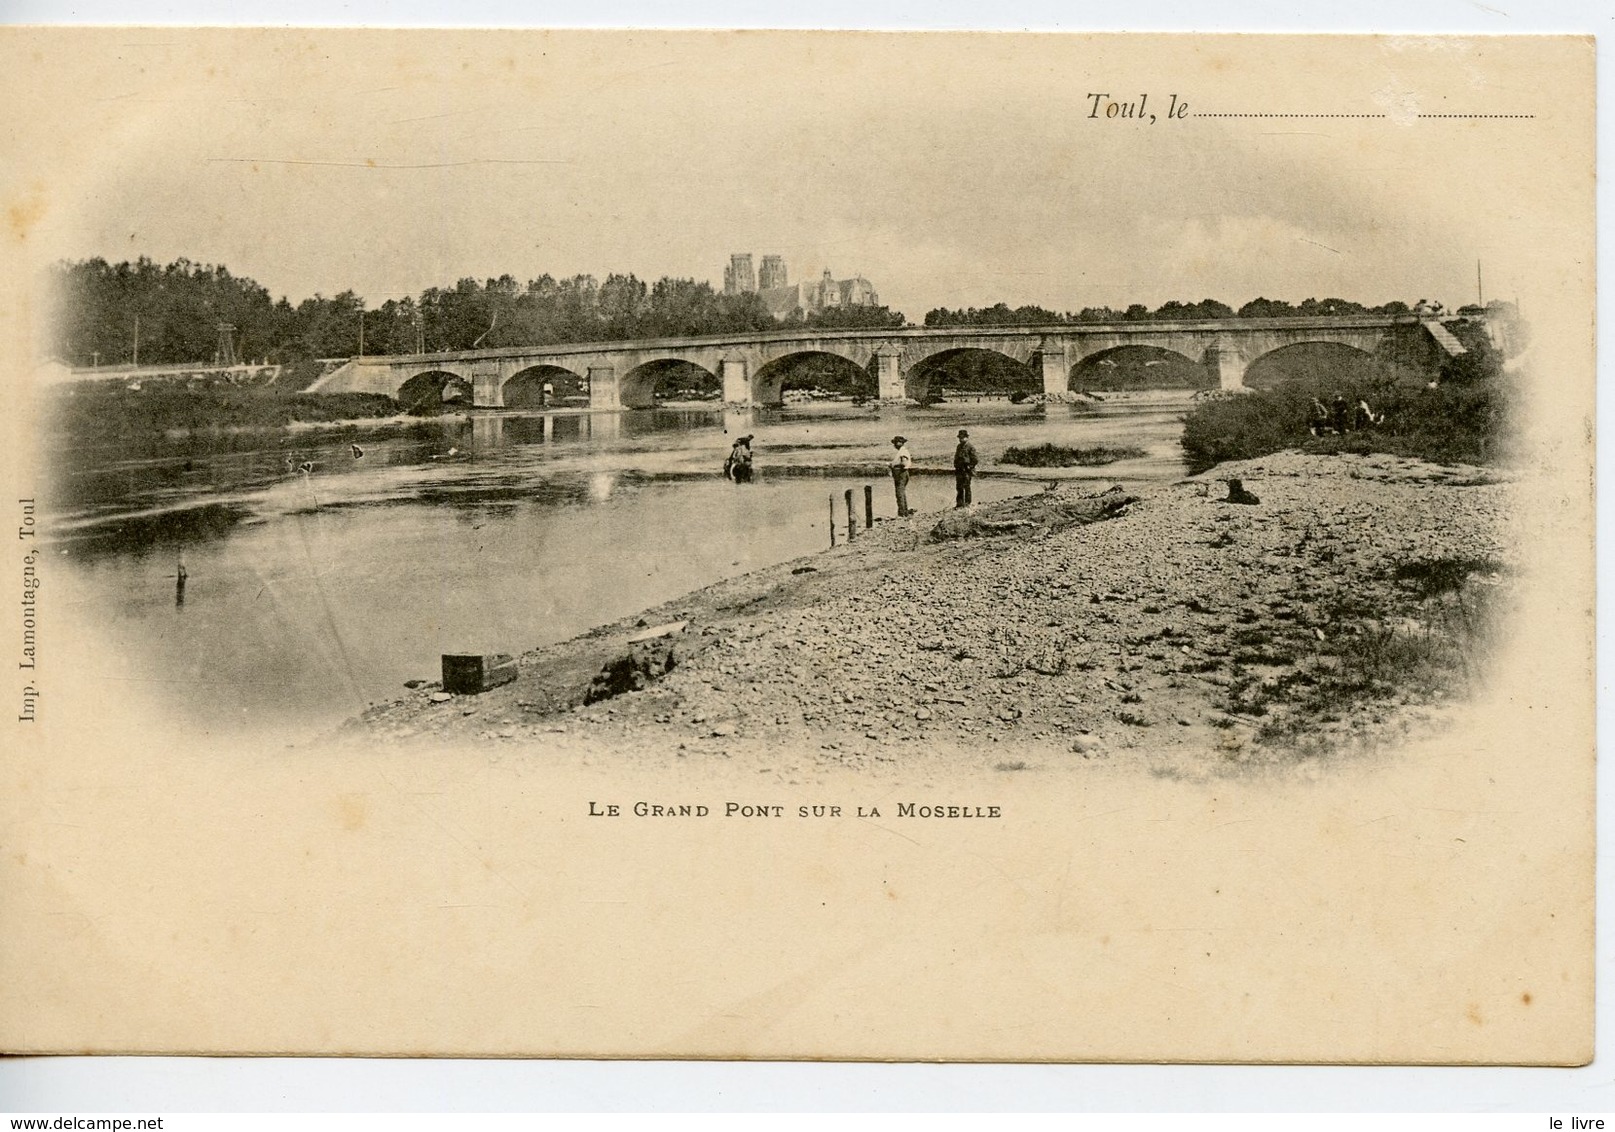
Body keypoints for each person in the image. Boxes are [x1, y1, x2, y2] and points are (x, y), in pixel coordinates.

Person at [953, 428, 979, 508]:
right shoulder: (959, 447)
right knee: (959, 487)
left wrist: (970, 466)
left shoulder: (970, 447)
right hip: (959, 470)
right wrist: (956, 465)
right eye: (960, 438)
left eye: (962, 437)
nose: (961, 439)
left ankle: (967, 504)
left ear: (966, 437)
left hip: (967, 470)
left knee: (967, 486)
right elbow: (956, 457)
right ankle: (959, 504)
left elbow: (975, 459)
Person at [889, 435, 913, 517]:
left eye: (896, 443)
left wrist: (894, 465)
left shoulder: (902, 452)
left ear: (900, 443)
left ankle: (902, 512)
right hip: (902, 473)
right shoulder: (902, 451)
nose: (894, 445)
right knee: (901, 492)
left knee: (899, 493)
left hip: (901, 473)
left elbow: (904, 463)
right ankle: (904, 511)